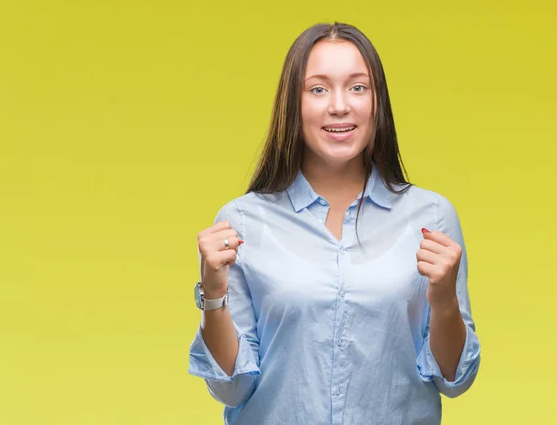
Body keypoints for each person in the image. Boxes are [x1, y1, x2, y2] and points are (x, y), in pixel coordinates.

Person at [188, 22, 481, 425]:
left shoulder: (431, 217)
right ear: (294, 104)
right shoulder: (241, 223)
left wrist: (444, 299)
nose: (340, 105)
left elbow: (454, 379)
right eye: (318, 89)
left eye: (358, 87)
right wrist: (214, 295)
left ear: (378, 102)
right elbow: (230, 388)